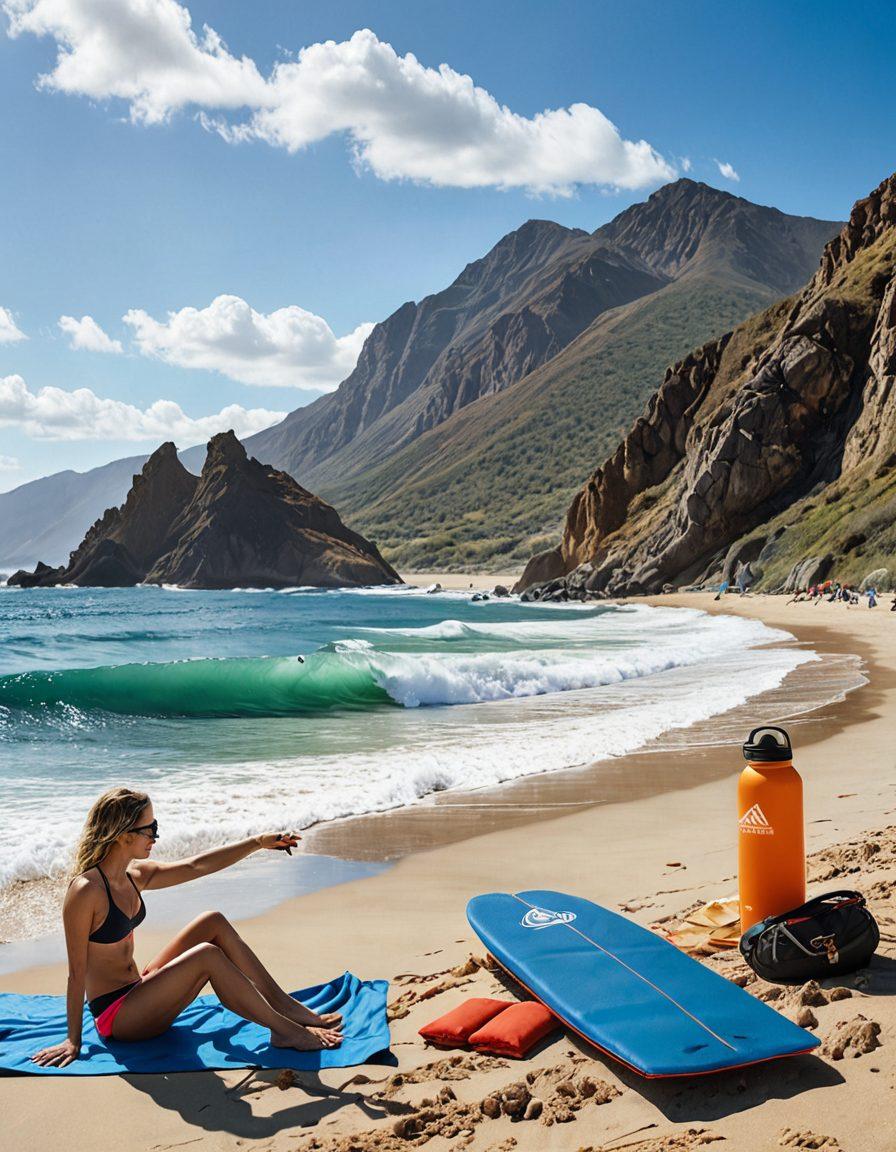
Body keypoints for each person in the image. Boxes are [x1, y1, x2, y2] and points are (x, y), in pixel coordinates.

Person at [31, 788, 342, 1068]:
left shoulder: (135, 875)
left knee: (212, 921)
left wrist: (256, 843)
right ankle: (284, 1031)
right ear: (124, 835)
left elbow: (197, 866)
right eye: (149, 829)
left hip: (139, 988)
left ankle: (286, 1007)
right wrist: (73, 1040)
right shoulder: (85, 890)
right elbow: (76, 973)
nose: (155, 836)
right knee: (206, 955)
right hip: (119, 1016)